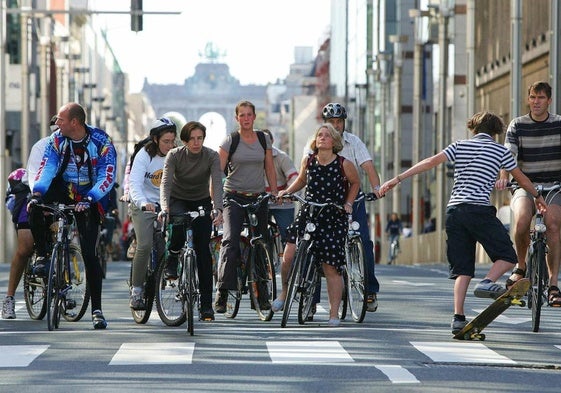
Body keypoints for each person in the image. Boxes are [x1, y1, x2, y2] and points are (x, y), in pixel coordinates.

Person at [379, 111, 546, 335]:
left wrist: (397, 179)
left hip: (454, 212)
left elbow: (430, 162)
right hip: (478, 210)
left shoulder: (459, 146)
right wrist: (537, 195)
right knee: (508, 257)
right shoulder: (500, 151)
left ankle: (458, 318)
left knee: (463, 270)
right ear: (496, 132)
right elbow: (521, 178)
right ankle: (487, 282)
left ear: (473, 129)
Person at [27, 103, 117, 329]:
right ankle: (43, 254)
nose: (57, 123)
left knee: (89, 253)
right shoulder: (57, 140)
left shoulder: (102, 142)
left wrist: (90, 199)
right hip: (65, 188)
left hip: (91, 194)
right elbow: (47, 167)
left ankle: (97, 310)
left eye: (61, 120)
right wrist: (37, 192)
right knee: (35, 206)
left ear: (75, 123)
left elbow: (107, 175)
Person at [272, 123, 360, 326]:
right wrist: (288, 192)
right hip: (308, 213)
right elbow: (302, 180)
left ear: (334, 141)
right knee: (288, 255)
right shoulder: (309, 160)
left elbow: (355, 183)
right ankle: (284, 293)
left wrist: (348, 203)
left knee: (331, 267)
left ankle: (334, 313)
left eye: (327, 135)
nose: (322, 138)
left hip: (332, 216)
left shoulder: (343, 164)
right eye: (319, 134)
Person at [497, 81, 561, 306]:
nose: (536, 102)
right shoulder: (517, 125)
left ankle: (553, 284)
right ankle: (521, 266)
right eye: (533, 97)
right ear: (528, 99)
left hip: (554, 186)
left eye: (541, 98)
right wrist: (504, 175)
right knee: (522, 221)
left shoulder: (559, 124)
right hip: (525, 185)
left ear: (549, 101)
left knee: (553, 225)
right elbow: (508, 156)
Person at [214, 100, 278, 313]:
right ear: (237, 118)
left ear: (254, 117)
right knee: (231, 241)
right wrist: (216, 202)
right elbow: (217, 173)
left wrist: (275, 191)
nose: (246, 118)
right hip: (234, 196)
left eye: (249, 114)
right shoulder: (230, 140)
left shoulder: (263, 139)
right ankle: (222, 291)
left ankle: (261, 296)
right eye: (242, 115)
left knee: (262, 243)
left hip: (258, 196)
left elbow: (269, 166)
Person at [159, 121, 223, 321]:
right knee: (177, 226)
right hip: (178, 199)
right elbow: (166, 182)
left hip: (201, 200)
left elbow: (217, 182)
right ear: (184, 141)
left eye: (200, 138)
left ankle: (206, 306)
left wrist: (218, 208)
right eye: (192, 139)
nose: (197, 143)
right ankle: (173, 255)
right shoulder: (174, 155)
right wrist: (164, 207)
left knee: (203, 251)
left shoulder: (211, 155)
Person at [321, 102, 382, 311]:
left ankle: (370, 290)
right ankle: (307, 299)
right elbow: (307, 167)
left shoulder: (354, 142)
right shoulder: (318, 141)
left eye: (339, 122)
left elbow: (368, 166)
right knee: (311, 244)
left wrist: (376, 188)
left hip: (353, 200)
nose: (336, 126)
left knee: (363, 241)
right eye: (332, 122)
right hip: (327, 202)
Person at [2, 117, 57, 319]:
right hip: (31, 194)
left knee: (62, 235)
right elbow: (34, 177)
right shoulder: (43, 147)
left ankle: (62, 282)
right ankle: (8, 298)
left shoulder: (77, 148)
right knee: (25, 248)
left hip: (55, 197)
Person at [128, 118, 177, 310]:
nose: (170, 145)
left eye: (172, 141)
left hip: (168, 205)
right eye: (166, 141)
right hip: (145, 204)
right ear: (155, 139)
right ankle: (137, 291)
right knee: (145, 245)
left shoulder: (176, 154)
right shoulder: (144, 155)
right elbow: (135, 183)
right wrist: (142, 203)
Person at [261, 129, 298, 244]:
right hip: (261, 203)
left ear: (272, 141)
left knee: (288, 235)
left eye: (267, 141)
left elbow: (294, 178)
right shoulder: (252, 159)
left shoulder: (282, 157)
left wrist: (286, 193)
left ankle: (289, 261)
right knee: (257, 235)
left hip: (282, 203)